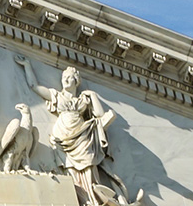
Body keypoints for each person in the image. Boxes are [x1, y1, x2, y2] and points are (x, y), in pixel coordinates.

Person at [17, 57, 142, 206]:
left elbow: (100, 115)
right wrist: (27, 66)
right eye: (64, 77)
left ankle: (91, 198)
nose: (65, 80)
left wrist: (93, 96)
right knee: (69, 169)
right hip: (63, 137)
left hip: (83, 136)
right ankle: (79, 198)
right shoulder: (57, 96)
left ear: (76, 81)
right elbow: (34, 86)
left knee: (88, 165)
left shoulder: (83, 100)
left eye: (69, 77)